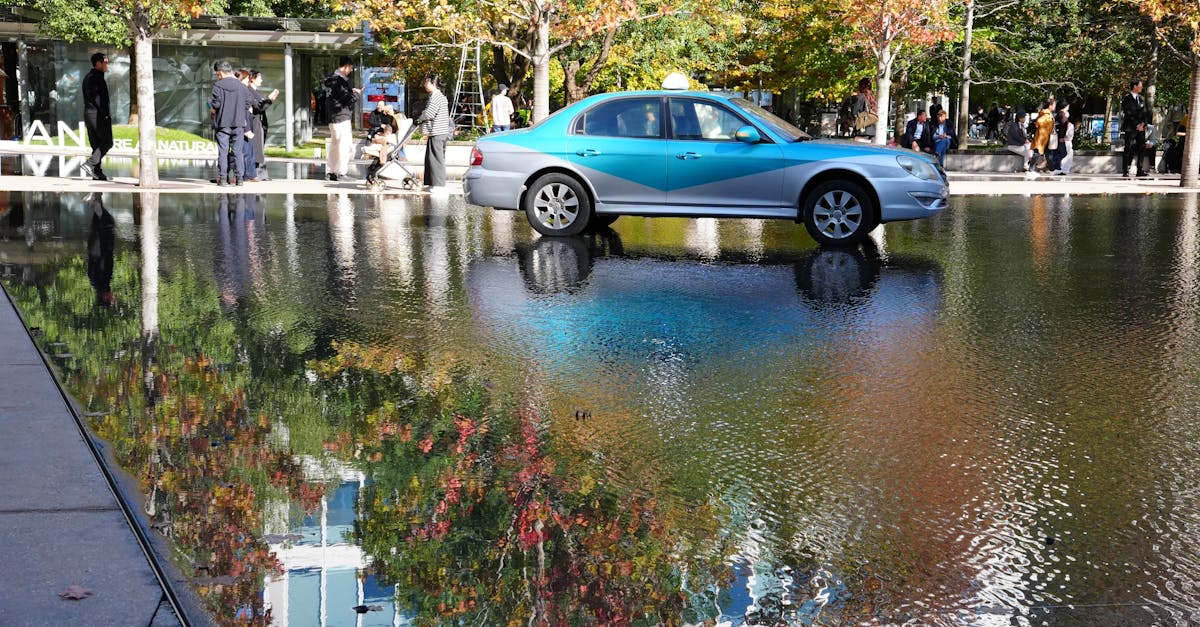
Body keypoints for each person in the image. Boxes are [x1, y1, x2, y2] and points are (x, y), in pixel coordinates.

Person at [323, 56, 361, 181]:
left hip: (332, 118)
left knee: (335, 146)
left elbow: (338, 96)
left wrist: (350, 91)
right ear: (346, 66)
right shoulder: (340, 81)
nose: (351, 70)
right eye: (350, 68)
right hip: (342, 117)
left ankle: (331, 172)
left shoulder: (331, 80)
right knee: (345, 146)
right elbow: (347, 99)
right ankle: (341, 173)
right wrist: (356, 94)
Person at [210, 60, 248, 186]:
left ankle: (223, 179)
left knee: (223, 152)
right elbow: (248, 102)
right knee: (238, 152)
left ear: (220, 73)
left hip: (223, 123)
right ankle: (239, 179)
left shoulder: (218, 86)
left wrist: (213, 109)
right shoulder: (241, 86)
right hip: (238, 123)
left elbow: (216, 104)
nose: (218, 77)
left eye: (217, 74)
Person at [415, 73, 451, 192]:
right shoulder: (436, 96)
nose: (425, 85)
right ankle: (430, 183)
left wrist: (420, 118)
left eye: (427, 82)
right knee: (430, 158)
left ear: (433, 83)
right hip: (436, 132)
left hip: (437, 132)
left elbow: (430, 113)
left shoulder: (436, 96)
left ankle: (439, 185)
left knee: (436, 159)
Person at [81, 52, 112, 181]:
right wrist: (105, 114)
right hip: (97, 114)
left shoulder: (90, 76)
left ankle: (97, 172)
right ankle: (90, 164)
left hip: (90, 113)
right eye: (105, 62)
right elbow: (98, 99)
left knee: (96, 144)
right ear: (98, 63)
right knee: (107, 142)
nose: (107, 65)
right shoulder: (95, 78)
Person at [245, 70, 278, 182]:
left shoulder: (254, 92)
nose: (261, 80)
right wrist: (269, 100)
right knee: (256, 147)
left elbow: (260, 106)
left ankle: (260, 173)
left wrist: (269, 100)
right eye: (259, 78)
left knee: (258, 147)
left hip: (259, 123)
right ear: (252, 79)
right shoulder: (249, 91)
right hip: (254, 123)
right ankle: (256, 173)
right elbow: (258, 107)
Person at [85, 192, 115, 307]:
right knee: (101, 220)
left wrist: (104, 246)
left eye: (111, 299)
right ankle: (96, 195)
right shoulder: (102, 285)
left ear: (105, 298)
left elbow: (99, 262)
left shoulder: (99, 283)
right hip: (102, 247)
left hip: (100, 247)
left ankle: (92, 201)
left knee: (107, 223)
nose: (113, 296)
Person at [1121, 78, 1150, 177]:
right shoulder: (1127, 99)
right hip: (1131, 127)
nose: (1142, 87)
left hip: (1141, 128)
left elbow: (1145, 113)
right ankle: (1125, 170)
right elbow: (1128, 113)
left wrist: (1143, 124)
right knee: (1128, 148)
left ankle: (1140, 170)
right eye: (1140, 85)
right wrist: (1136, 125)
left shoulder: (1141, 98)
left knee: (1141, 148)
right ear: (1135, 86)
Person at [850, 77, 877, 142]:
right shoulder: (872, 97)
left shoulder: (860, 97)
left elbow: (854, 112)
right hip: (872, 129)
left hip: (862, 127)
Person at [1031, 101, 1055, 171]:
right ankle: (1031, 169)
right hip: (1042, 136)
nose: (1054, 107)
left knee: (1047, 154)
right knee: (1038, 153)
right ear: (1050, 106)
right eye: (1053, 105)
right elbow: (1039, 122)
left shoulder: (1045, 113)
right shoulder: (1046, 114)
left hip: (1043, 136)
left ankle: (1052, 169)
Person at [1048, 102, 1070, 172]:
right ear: (1065, 106)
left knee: (1058, 152)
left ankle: (1057, 167)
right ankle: (1053, 163)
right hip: (1060, 137)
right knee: (1063, 153)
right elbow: (1061, 126)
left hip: (1058, 136)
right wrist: (1061, 136)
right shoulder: (1062, 114)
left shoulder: (1059, 114)